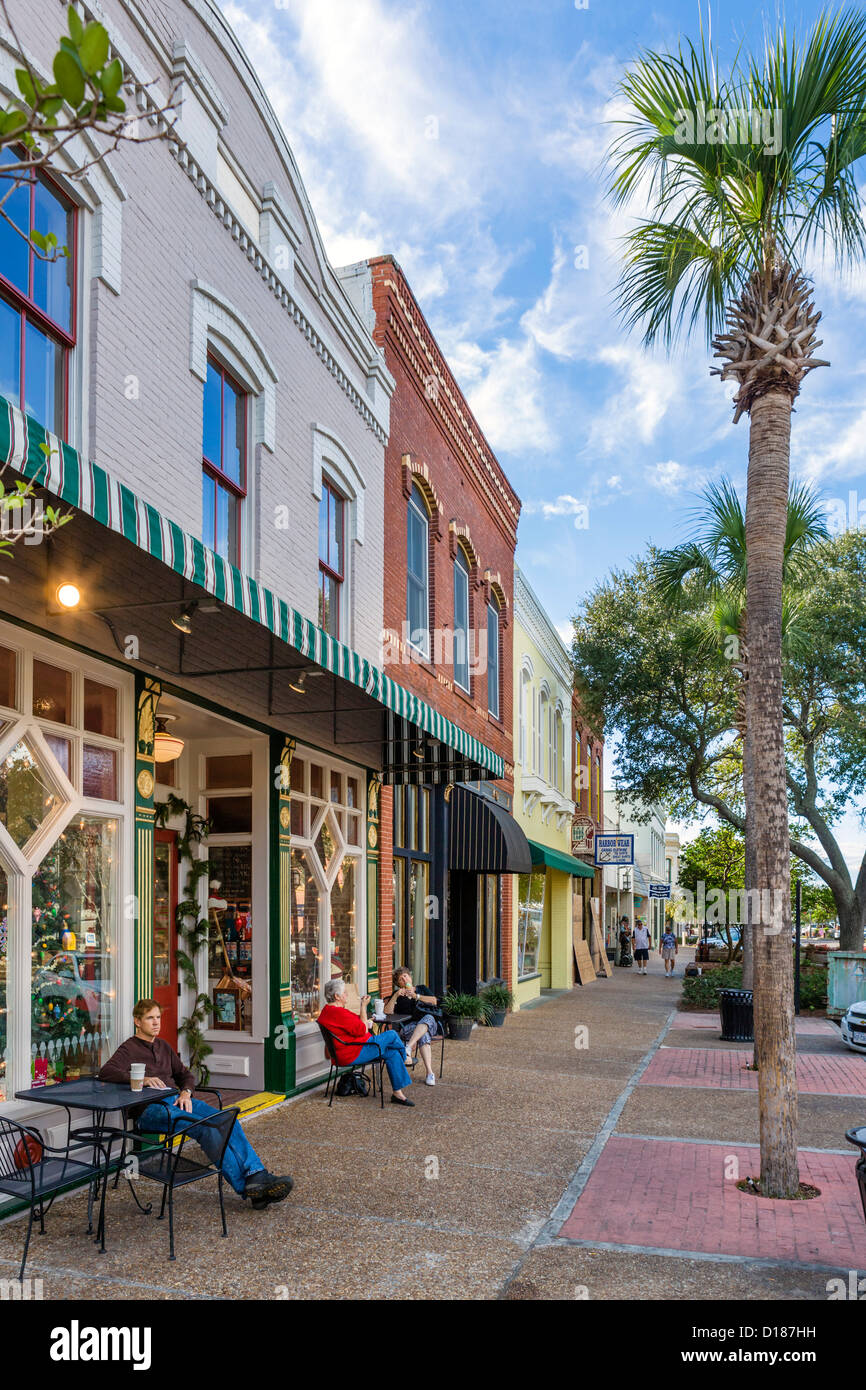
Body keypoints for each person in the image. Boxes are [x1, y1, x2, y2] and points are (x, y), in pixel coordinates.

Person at [98, 999, 294, 1209]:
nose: (156, 1023)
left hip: (177, 1100)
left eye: (157, 1017)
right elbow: (106, 1072)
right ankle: (248, 1187)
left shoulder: (163, 1046)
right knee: (206, 1129)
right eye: (149, 1018)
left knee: (227, 1120)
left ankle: (257, 1176)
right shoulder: (129, 1048)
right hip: (151, 1109)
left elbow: (185, 1075)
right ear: (137, 1021)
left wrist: (186, 1092)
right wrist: (141, 1079)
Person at [317, 978, 415, 1106]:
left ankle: (398, 1093)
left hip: (351, 1049)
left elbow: (352, 1026)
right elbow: (362, 1030)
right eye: (345, 992)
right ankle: (406, 1057)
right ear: (337, 996)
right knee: (391, 1034)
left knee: (391, 1053)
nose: (347, 994)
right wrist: (363, 1006)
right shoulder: (338, 1013)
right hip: (353, 1052)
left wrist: (365, 1022)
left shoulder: (327, 1011)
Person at [383, 966, 442, 1087]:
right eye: (400, 979)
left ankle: (408, 1047)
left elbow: (434, 1001)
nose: (404, 980)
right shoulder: (397, 995)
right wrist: (395, 997)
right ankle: (430, 1073)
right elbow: (387, 1012)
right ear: (398, 984)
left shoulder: (421, 989)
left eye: (405, 976)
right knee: (423, 1034)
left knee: (429, 1018)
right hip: (408, 1028)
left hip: (430, 1025)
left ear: (410, 977)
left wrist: (416, 996)